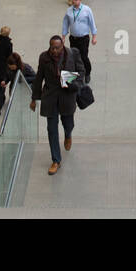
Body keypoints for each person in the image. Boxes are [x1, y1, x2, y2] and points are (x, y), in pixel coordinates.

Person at [29, 35, 86, 175]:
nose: (54, 51)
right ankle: (56, 160)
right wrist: (34, 98)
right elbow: (39, 78)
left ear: (62, 45)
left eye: (57, 48)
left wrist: (69, 79)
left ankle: (68, 134)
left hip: (67, 96)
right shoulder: (44, 57)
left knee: (68, 123)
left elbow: (81, 72)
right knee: (51, 129)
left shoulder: (73, 54)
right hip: (50, 97)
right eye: (52, 48)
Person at [61, 0, 97, 83]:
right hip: (73, 38)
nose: (73, 1)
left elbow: (92, 23)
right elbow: (65, 23)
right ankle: (76, 74)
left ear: (80, 0)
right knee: (73, 57)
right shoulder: (69, 10)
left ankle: (87, 73)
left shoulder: (87, 10)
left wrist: (94, 36)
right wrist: (63, 36)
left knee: (84, 57)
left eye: (75, 0)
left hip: (83, 38)